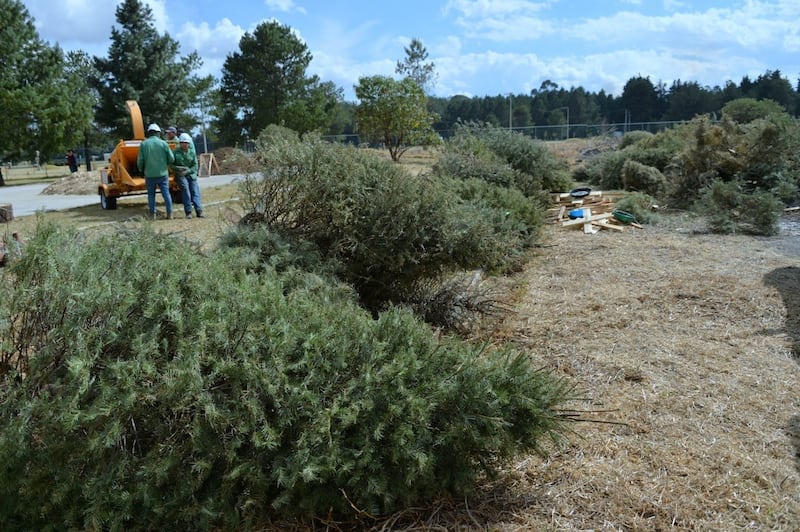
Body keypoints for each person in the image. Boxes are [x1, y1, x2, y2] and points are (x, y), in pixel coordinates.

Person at [137, 123, 175, 220]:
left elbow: (140, 160)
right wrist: (165, 164)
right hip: (162, 173)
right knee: (166, 194)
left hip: (149, 174)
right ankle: (170, 214)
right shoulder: (164, 143)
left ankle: (152, 215)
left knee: (151, 195)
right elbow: (171, 159)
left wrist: (141, 170)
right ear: (158, 133)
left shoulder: (144, 144)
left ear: (149, 133)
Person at [172, 133, 204, 218]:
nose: (185, 144)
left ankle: (199, 211)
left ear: (189, 144)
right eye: (183, 143)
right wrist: (178, 169)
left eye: (186, 143)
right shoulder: (175, 153)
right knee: (186, 191)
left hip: (191, 175)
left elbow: (195, 165)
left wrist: (188, 171)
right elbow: (171, 165)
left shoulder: (192, 153)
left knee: (195, 191)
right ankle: (188, 212)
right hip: (181, 176)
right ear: (180, 143)